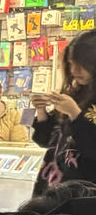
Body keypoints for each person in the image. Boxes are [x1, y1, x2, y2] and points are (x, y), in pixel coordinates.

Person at [29, 30, 96, 198]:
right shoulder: (76, 93)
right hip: (54, 189)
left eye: (82, 65)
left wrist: (74, 113)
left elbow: (91, 146)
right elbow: (47, 141)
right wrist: (41, 112)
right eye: (71, 64)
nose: (74, 70)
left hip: (85, 195)